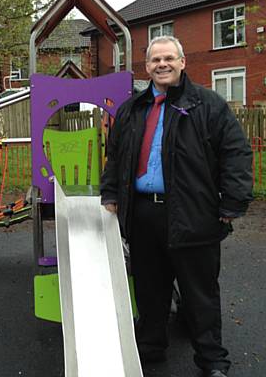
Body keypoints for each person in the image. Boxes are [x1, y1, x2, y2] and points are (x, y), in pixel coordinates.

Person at [100, 36, 252, 377]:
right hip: (142, 215)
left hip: (192, 213)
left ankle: (212, 362)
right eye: (155, 60)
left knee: (200, 294)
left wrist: (232, 202)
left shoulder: (208, 105)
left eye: (169, 58)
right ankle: (151, 349)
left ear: (183, 62)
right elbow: (116, 156)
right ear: (147, 67)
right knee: (150, 289)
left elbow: (236, 154)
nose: (162, 64)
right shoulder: (133, 109)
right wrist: (110, 194)